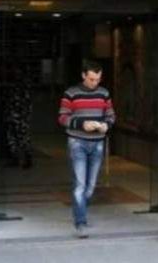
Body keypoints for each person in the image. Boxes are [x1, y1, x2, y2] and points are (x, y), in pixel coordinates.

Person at [58, 61, 115, 238]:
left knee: (90, 186)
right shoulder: (71, 93)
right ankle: (80, 222)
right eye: (91, 79)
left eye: (97, 79)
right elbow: (62, 117)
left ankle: (80, 210)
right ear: (83, 75)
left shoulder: (104, 93)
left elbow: (111, 115)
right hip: (77, 142)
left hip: (97, 143)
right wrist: (82, 124)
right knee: (80, 184)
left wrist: (106, 125)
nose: (94, 83)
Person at [3, 67, 33, 169]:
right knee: (13, 138)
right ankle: (16, 158)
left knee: (22, 138)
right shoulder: (14, 88)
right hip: (14, 115)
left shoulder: (23, 88)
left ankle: (27, 159)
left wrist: (23, 116)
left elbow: (25, 104)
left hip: (20, 117)